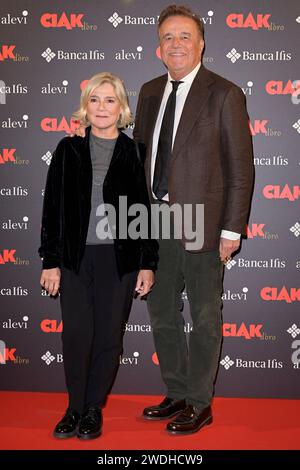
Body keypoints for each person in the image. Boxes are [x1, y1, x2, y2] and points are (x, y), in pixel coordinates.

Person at [133, 5, 254, 435]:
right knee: (163, 313)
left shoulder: (224, 93)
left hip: (205, 223)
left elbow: (240, 169)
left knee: (205, 317)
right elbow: (139, 160)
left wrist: (230, 229)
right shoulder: (148, 92)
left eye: (185, 36)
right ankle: (178, 391)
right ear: (158, 48)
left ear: (201, 43)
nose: (177, 43)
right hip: (156, 223)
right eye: (168, 37)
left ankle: (201, 403)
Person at [39, 72, 158, 440]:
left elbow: (144, 211)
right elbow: (53, 208)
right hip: (75, 259)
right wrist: (51, 261)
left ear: (122, 107)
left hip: (118, 261)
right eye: (95, 99)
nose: (102, 107)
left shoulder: (134, 152)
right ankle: (74, 407)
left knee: (108, 337)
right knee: (76, 335)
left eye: (110, 100)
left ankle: (93, 409)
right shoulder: (67, 149)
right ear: (85, 107)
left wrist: (147, 263)